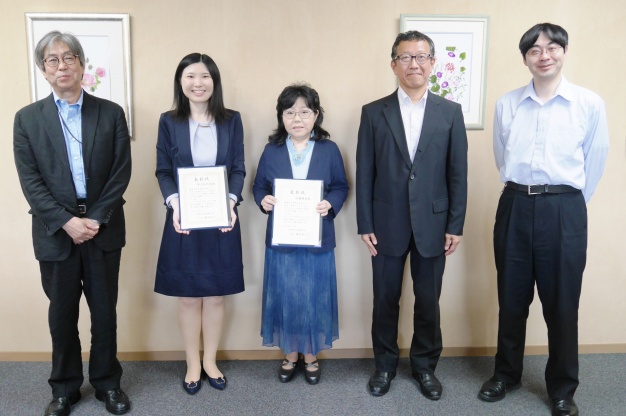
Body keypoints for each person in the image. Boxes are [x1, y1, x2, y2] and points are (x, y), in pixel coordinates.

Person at [478, 23, 609, 416]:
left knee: (562, 303)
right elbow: (502, 157)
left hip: (564, 209)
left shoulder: (588, 103)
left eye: (552, 48)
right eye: (534, 50)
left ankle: (563, 389)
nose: (544, 55)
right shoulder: (507, 104)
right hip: (515, 204)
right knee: (511, 298)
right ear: (525, 59)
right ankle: (506, 374)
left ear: (564, 52)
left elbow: (595, 160)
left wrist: (564, 203)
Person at [13, 31, 132, 416]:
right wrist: (66, 221)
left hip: (103, 228)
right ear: (43, 70)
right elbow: (30, 181)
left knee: (105, 312)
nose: (61, 65)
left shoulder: (111, 112)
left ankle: (107, 383)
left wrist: (93, 218)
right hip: (55, 232)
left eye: (68, 58)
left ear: (81, 65)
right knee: (61, 315)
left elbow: (120, 172)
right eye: (52, 60)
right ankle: (64, 388)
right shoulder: (27, 119)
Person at [356, 30, 468, 399]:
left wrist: (455, 224)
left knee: (428, 301)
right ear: (394, 65)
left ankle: (424, 367)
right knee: (385, 299)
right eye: (405, 57)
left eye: (421, 57)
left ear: (432, 63)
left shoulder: (450, 113)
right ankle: (384, 366)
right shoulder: (374, 112)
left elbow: (457, 173)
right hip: (385, 224)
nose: (414, 64)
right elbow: (365, 171)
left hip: (434, 224)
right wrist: (365, 223)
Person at [154, 53, 245, 394]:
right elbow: (163, 170)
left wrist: (230, 202)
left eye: (205, 76)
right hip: (184, 220)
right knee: (189, 297)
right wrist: (175, 205)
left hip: (222, 218)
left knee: (216, 296)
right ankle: (192, 362)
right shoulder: (168, 121)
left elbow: (238, 168)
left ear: (214, 81)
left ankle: (210, 361)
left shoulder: (232, 120)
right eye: (190, 76)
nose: (198, 83)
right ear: (181, 82)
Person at [253, 83, 348, 385]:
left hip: (317, 237)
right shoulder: (271, 150)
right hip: (282, 239)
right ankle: (290, 354)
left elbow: (341, 186)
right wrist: (263, 200)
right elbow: (259, 186)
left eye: (304, 112)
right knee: (286, 297)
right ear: (281, 117)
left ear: (316, 115)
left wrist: (330, 203)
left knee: (314, 298)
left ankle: (310, 355)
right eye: (290, 112)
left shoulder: (329, 150)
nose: (297, 119)